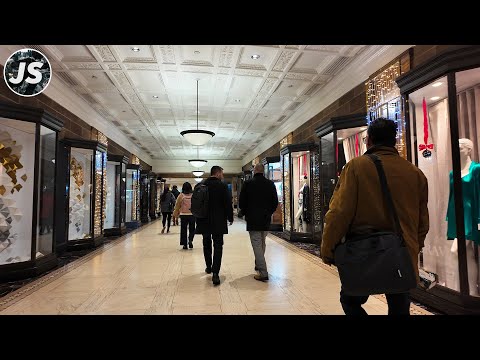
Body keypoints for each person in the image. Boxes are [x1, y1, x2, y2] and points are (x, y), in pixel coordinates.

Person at [320, 118, 429, 315]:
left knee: (351, 300)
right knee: (399, 306)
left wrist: (328, 248)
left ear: (369, 140)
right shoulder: (415, 173)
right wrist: (413, 246)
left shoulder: (356, 167)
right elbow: (423, 222)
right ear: (393, 140)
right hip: (402, 253)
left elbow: (339, 213)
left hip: (365, 252)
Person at [239, 163, 278, 282]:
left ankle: (263, 272)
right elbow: (275, 202)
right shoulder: (270, 184)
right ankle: (258, 263)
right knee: (262, 243)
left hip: (253, 219)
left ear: (254, 171)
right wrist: (269, 212)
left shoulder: (248, 184)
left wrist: (245, 212)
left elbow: (242, 203)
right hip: (265, 219)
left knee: (257, 245)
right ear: (263, 171)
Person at [195, 166, 234, 286]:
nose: (222, 175)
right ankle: (215, 273)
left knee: (206, 243)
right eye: (222, 173)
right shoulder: (222, 186)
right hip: (218, 221)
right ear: (217, 173)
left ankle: (208, 266)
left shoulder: (201, 185)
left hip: (203, 220)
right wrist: (230, 217)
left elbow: (196, 203)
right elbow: (228, 203)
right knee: (218, 245)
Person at [173, 182, 195, 250]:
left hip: (183, 215)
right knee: (192, 229)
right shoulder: (193, 195)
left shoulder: (181, 195)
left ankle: (185, 244)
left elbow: (177, 206)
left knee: (183, 230)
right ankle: (190, 240)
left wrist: (175, 214)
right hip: (192, 214)